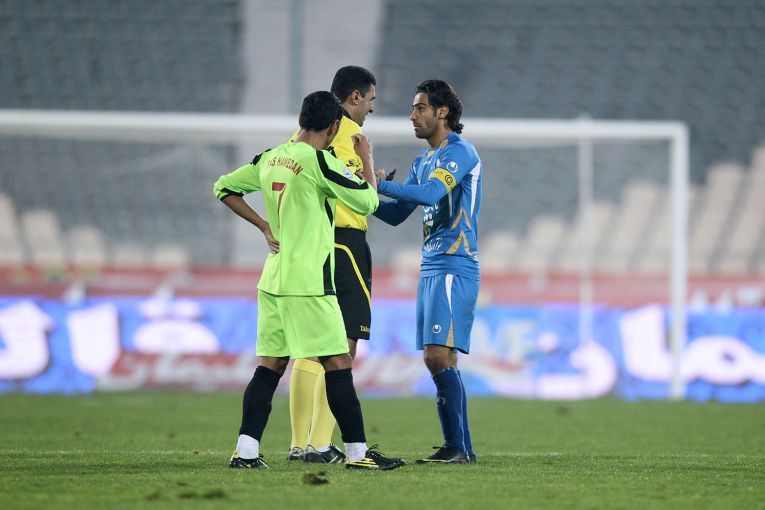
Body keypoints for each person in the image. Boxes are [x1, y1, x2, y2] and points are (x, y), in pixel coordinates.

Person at [213, 91, 404, 471]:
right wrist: (366, 159)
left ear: (301, 119)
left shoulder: (270, 157)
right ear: (333, 127)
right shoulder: (319, 162)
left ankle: (245, 452)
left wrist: (263, 225)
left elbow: (224, 187)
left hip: (273, 280)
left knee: (269, 366)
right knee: (338, 361)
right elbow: (367, 202)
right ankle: (357, 454)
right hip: (309, 283)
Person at [372, 80, 481, 464]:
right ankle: (460, 447)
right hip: (432, 266)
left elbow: (432, 194)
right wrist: (362, 195)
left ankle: (457, 446)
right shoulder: (423, 160)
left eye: (419, 108)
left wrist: (382, 183)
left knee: (437, 355)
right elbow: (397, 214)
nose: (412, 116)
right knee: (440, 357)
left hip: (455, 264)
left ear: (442, 112)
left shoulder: (460, 152)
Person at [286, 66, 378, 464]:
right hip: (344, 243)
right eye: (370, 100)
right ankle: (320, 444)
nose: (371, 108)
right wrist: (369, 171)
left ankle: (299, 444)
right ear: (355, 97)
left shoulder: (302, 135)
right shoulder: (348, 135)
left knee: (310, 346)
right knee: (342, 345)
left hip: (310, 243)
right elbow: (356, 194)